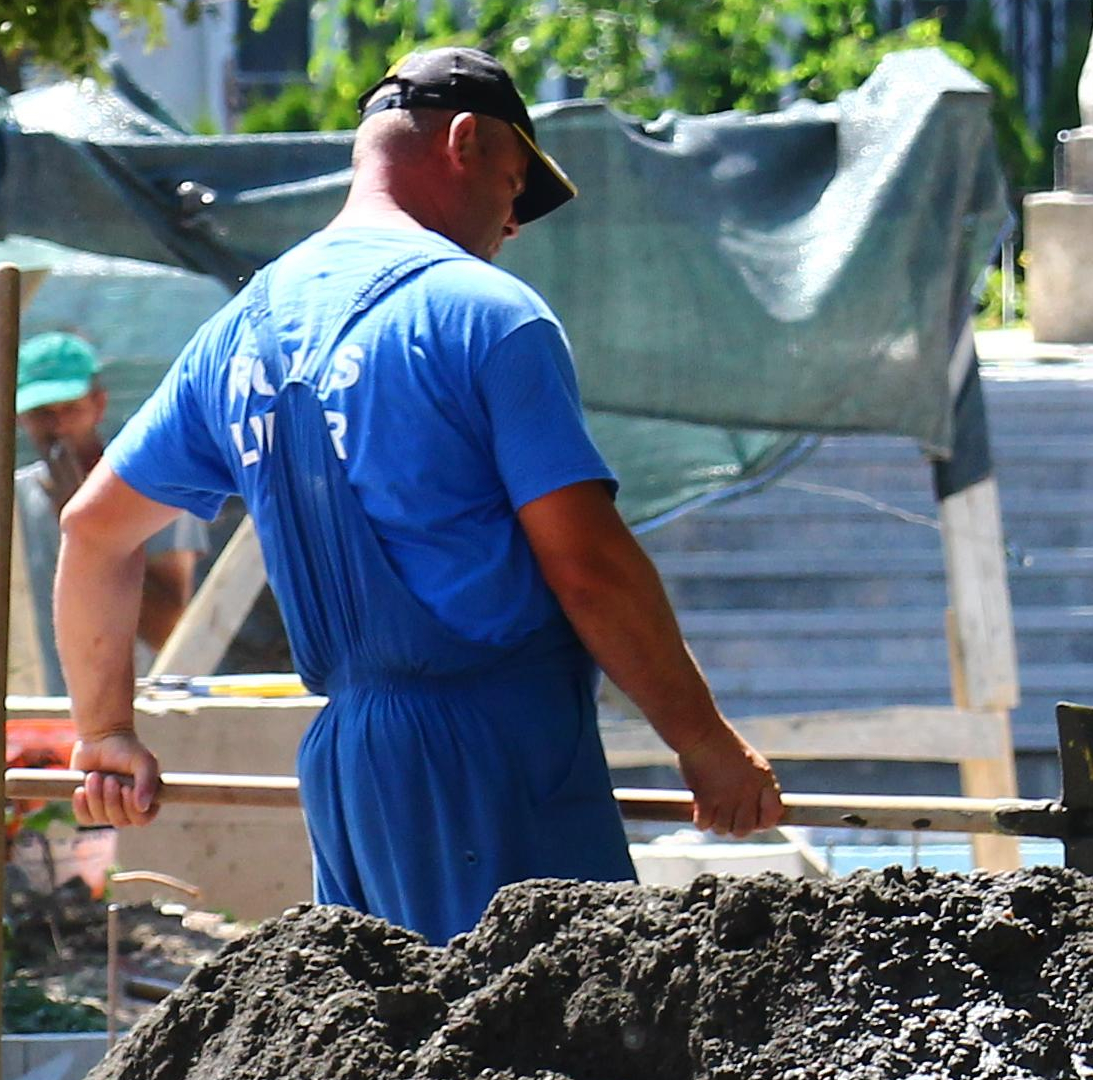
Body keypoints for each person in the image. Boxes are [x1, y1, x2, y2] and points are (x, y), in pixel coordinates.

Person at [48, 47, 786, 936]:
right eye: (515, 186)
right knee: (541, 1060)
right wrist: (704, 744)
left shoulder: (239, 333)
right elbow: (587, 565)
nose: (512, 226)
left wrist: (105, 736)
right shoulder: (486, 314)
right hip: (494, 760)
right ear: (465, 142)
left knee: (399, 1049)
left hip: (352, 770)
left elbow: (93, 531)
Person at [11, 328, 196, 665]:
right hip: (35, 706)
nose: (59, 427)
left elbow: (167, 629)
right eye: (42, 413)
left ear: (98, 404)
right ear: (20, 417)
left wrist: (87, 521)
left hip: (136, 701)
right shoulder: (9, 502)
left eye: (71, 409)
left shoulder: (154, 488)